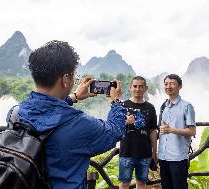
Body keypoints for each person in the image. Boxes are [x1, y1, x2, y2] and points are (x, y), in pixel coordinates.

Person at [7, 40, 129, 189]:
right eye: (73, 76)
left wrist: (74, 96)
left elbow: (45, 109)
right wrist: (117, 101)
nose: (73, 80)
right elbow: (115, 131)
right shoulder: (80, 124)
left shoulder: (15, 113)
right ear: (65, 79)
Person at [118, 76, 158, 189]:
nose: (138, 89)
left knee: (141, 184)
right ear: (130, 87)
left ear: (146, 88)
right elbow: (115, 127)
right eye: (135, 86)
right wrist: (126, 122)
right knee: (124, 183)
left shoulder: (150, 108)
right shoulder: (123, 106)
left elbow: (153, 131)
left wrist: (154, 152)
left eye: (141, 86)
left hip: (145, 153)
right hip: (126, 152)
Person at [158, 74, 196, 189]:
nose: (168, 86)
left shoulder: (187, 106)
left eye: (172, 84)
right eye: (166, 84)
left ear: (180, 86)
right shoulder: (164, 106)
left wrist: (171, 130)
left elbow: (192, 131)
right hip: (163, 156)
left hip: (178, 158)